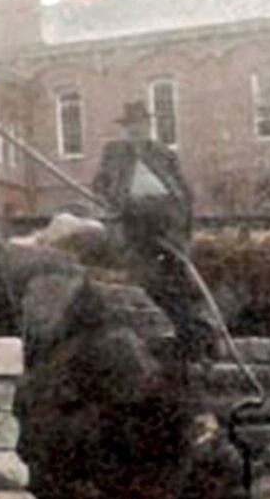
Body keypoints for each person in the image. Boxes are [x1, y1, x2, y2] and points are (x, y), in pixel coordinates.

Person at [92, 101, 222, 359]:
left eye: (140, 125)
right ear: (124, 129)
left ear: (148, 126)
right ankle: (184, 335)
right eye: (131, 126)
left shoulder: (163, 153)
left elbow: (183, 192)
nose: (136, 130)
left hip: (166, 218)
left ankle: (198, 338)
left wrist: (182, 228)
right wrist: (112, 205)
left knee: (179, 281)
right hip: (133, 219)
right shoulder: (114, 152)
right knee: (150, 279)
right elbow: (99, 186)